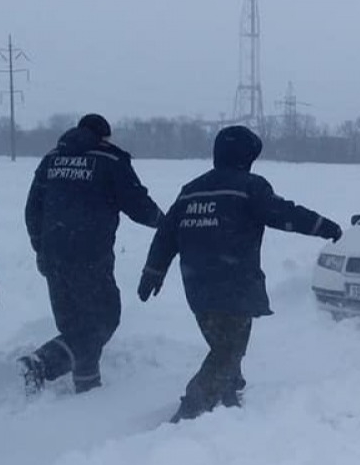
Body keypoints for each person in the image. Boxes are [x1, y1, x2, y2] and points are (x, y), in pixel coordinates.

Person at [137, 125, 342, 423]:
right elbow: (284, 214)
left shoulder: (191, 190)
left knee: (224, 347)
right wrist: (325, 226)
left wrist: (152, 272)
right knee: (227, 352)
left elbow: (166, 237)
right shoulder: (249, 187)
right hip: (234, 286)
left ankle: (227, 404)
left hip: (197, 286)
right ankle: (190, 413)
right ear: (245, 157)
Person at [20, 113, 163, 394]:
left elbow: (32, 210)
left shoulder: (52, 159)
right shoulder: (109, 160)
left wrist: (41, 248)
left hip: (53, 255)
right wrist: (166, 223)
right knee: (103, 319)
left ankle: (87, 388)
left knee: (74, 323)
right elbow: (138, 204)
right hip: (89, 255)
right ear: (104, 137)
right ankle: (43, 363)